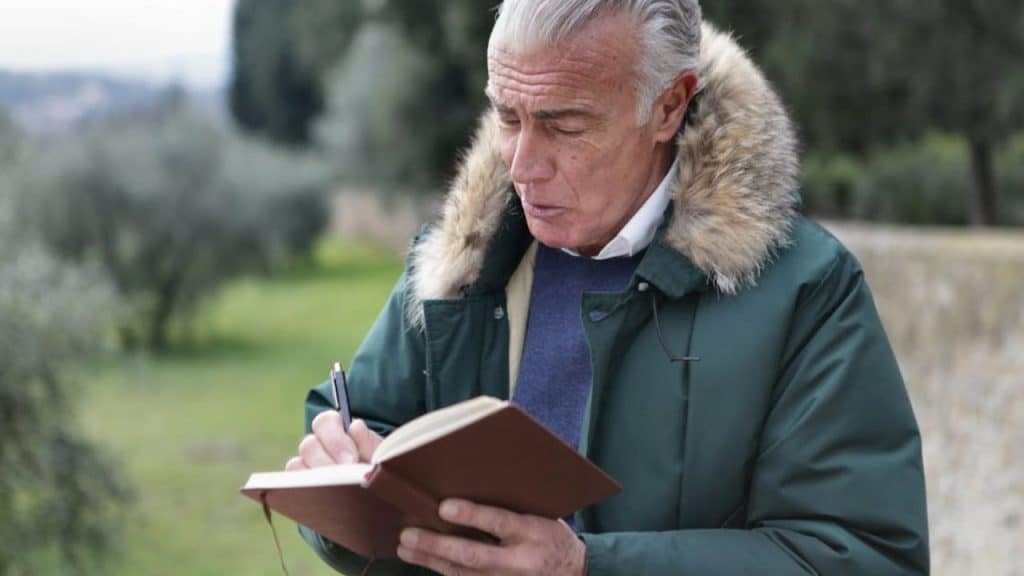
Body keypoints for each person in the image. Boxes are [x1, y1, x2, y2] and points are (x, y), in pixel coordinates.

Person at [286, 1, 930, 574]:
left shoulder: (809, 291)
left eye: (565, 125)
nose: (521, 165)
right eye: (508, 116)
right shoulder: (460, 265)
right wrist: (337, 497)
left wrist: (587, 567)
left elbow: (866, 555)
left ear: (669, 106)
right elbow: (351, 434)